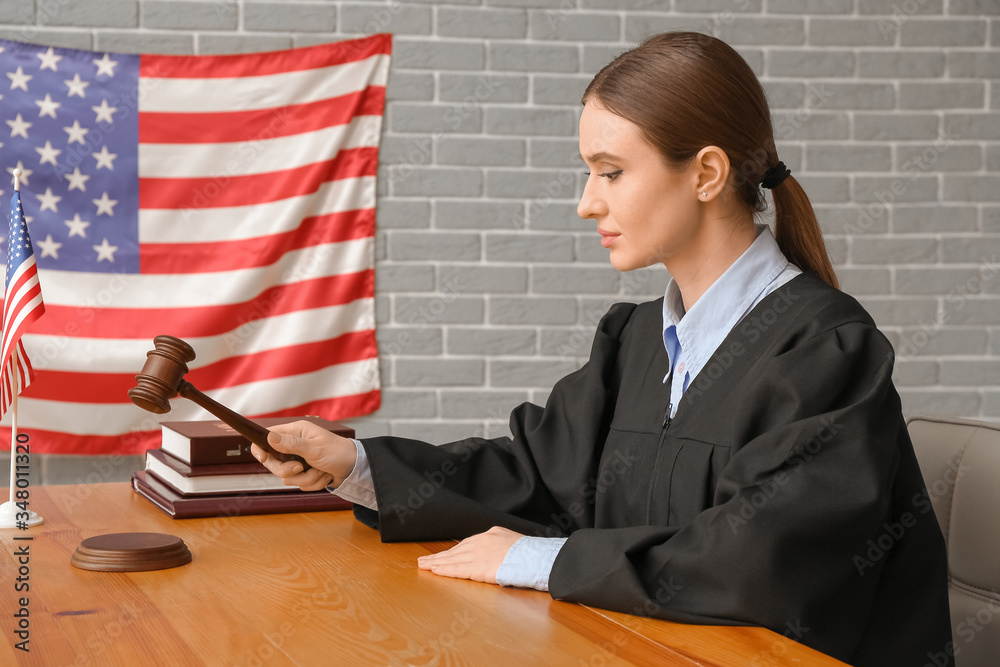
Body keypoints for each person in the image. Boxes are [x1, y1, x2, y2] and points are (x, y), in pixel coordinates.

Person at [252, 32, 953, 667]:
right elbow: (536, 476)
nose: (588, 202)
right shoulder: (637, 340)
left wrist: (542, 561)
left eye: (611, 171)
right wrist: (357, 465)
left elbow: (759, 561)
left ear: (706, 174)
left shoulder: (826, 350)